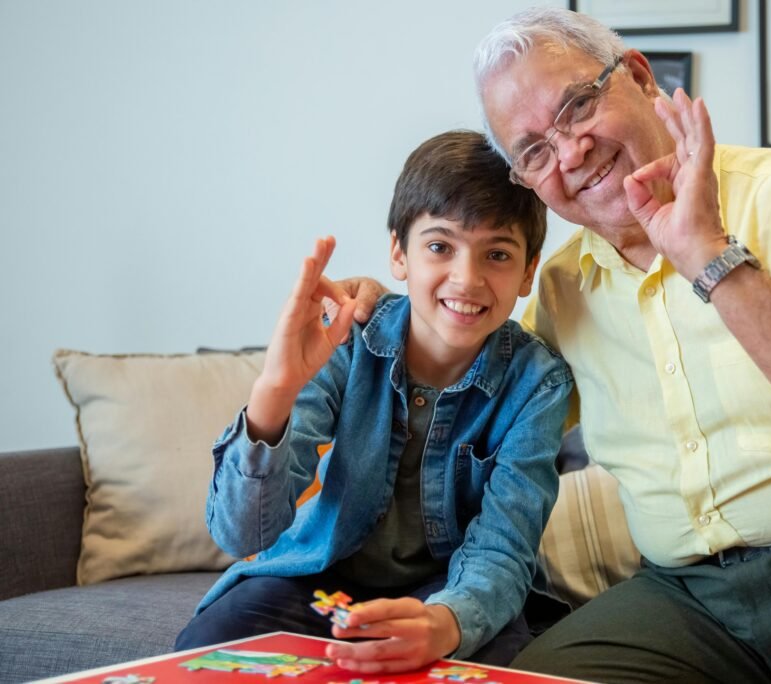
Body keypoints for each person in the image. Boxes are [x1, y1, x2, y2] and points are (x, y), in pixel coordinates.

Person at [339, 8, 771, 683]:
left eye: (577, 106)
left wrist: (708, 257)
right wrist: (383, 319)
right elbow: (471, 389)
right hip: (696, 599)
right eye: (535, 150)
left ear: (638, 77)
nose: (571, 151)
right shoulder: (562, 288)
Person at [174, 130, 573, 675]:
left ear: (528, 271)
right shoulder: (349, 338)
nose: (467, 278)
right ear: (398, 253)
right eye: (439, 246)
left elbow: (502, 552)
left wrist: (445, 622)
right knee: (215, 638)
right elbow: (241, 536)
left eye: (497, 254)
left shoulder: (538, 384)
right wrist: (274, 394)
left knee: (496, 661)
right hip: (323, 578)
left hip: (452, 591)